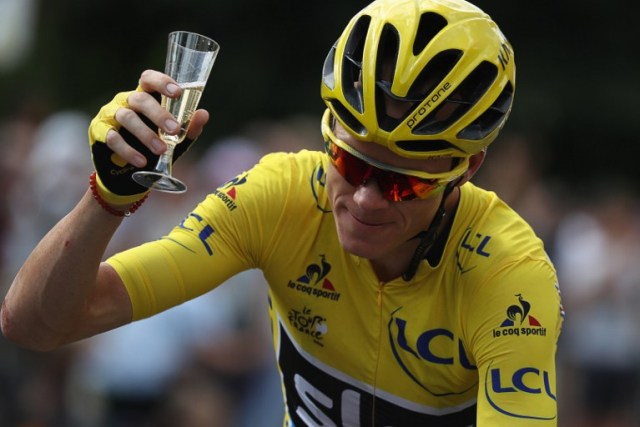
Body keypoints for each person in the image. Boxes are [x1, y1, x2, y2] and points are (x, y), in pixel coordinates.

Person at [1, 0, 564, 425]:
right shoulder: (280, 198)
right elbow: (36, 325)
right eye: (351, 161)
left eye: (403, 185)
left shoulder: (508, 277)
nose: (366, 198)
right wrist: (108, 197)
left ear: (465, 170)